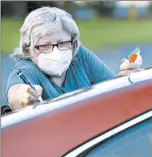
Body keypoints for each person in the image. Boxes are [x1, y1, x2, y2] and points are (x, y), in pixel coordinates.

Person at [6, 6, 141, 111]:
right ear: (28, 50)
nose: (56, 51)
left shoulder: (80, 56)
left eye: (62, 43)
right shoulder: (25, 71)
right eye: (45, 46)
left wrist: (127, 79)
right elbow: (16, 95)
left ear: (73, 43)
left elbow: (114, 91)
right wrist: (24, 97)